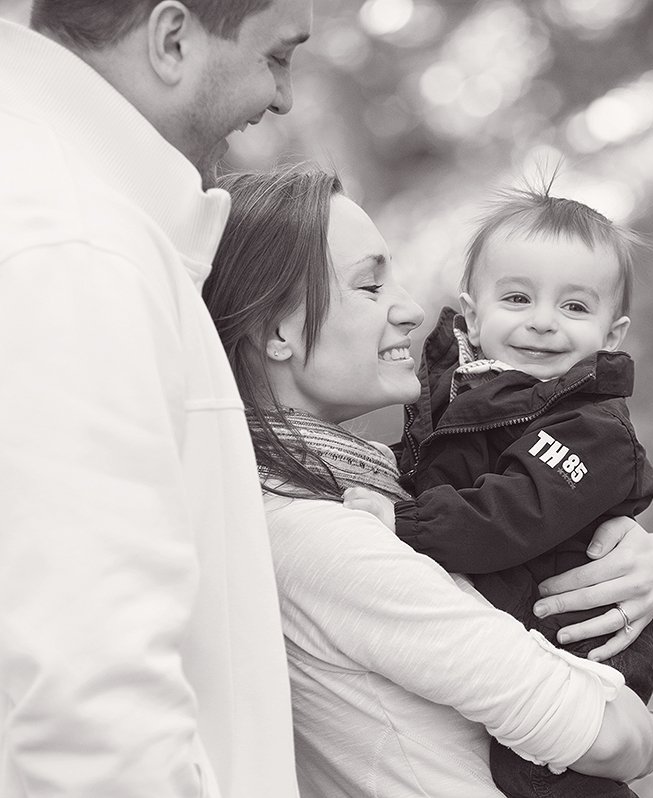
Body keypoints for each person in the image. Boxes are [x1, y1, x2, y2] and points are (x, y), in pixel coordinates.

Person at [202, 164, 653, 798]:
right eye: (370, 285)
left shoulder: (350, 480)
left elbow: (524, 497)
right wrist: (648, 732)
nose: (412, 308)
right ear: (275, 332)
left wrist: (630, 545)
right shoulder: (315, 532)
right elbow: (617, 739)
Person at [0, 2, 311, 796]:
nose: (281, 99)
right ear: (172, 40)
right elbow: (94, 718)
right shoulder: (77, 245)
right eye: (276, 58)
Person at [344, 182, 653, 798]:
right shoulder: (468, 394)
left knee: (547, 777)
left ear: (612, 334)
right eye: (518, 298)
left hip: (580, 647)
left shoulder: (591, 429)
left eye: (574, 308)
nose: (542, 321)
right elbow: (431, 472)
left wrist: (402, 524)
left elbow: (513, 512)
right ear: (472, 315)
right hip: (516, 635)